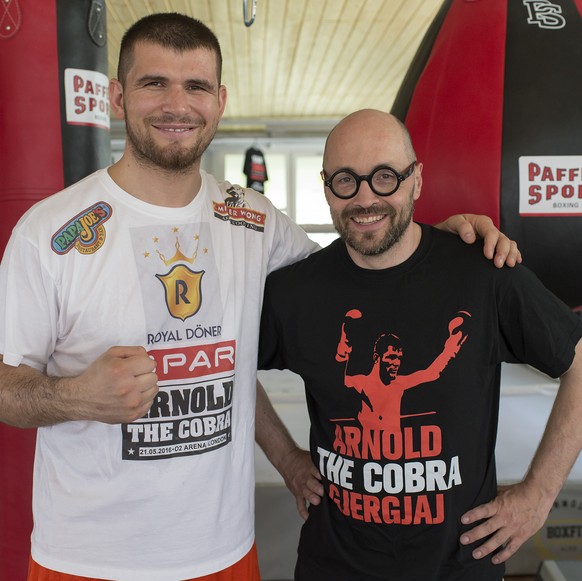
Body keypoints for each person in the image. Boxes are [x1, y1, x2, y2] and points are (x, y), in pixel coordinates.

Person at [0, 12, 519, 581]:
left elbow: (359, 265)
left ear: (219, 101)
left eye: (196, 86)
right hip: (86, 558)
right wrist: (77, 397)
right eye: (155, 84)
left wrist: (438, 240)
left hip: (224, 553)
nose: (178, 104)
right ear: (119, 97)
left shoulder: (251, 220)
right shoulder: (49, 232)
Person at [257, 109, 582, 581]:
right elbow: (225, 366)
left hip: (458, 567)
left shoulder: (483, 274)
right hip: (336, 565)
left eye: (385, 177)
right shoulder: (296, 294)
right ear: (326, 187)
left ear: (417, 181)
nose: (365, 197)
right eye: (346, 180)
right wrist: (285, 458)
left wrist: (539, 494)